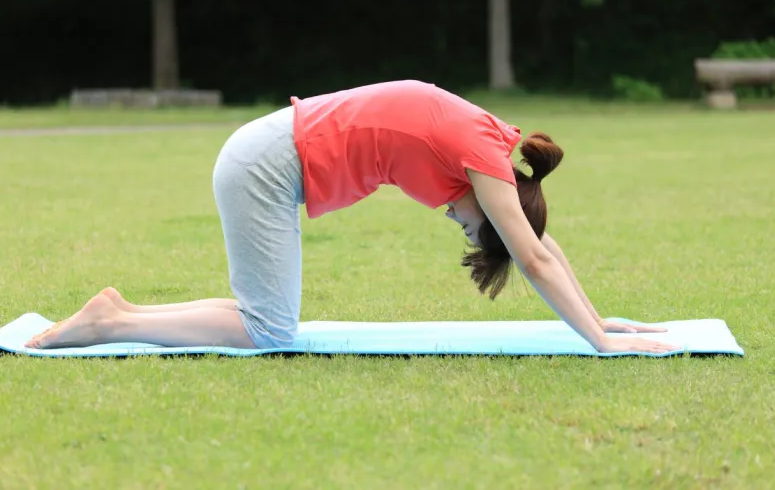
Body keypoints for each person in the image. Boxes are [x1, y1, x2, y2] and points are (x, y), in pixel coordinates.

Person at [25, 80, 678, 354]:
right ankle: (112, 321)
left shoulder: (488, 153)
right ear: (495, 201)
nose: (456, 221)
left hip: (264, 156)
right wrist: (602, 345)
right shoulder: (483, 158)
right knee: (270, 329)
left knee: (265, 316)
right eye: (470, 226)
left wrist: (597, 318)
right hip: (264, 166)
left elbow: (537, 240)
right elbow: (530, 252)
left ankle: (118, 312)